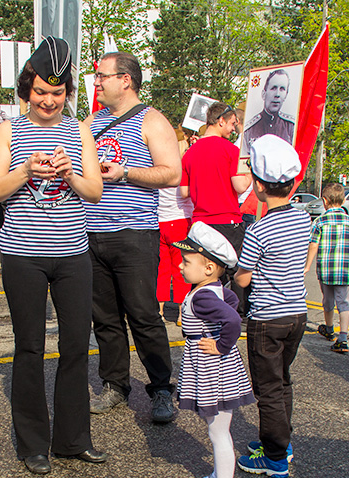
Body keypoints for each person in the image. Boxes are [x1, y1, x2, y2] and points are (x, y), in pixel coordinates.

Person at [0, 37, 106, 475]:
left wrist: (69, 173)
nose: (49, 100)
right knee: (30, 347)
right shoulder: (9, 130)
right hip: (23, 254)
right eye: (40, 91)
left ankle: (73, 439)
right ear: (27, 90)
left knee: (76, 345)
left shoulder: (79, 131)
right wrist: (25, 170)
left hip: (73, 253)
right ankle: (34, 444)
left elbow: (94, 191)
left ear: (67, 92)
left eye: (57, 93)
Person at [84, 51, 182, 423]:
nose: (97, 83)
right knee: (105, 319)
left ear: (125, 79)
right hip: (91, 234)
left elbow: (171, 173)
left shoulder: (152, 120)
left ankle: (160, 390)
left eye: (102, 76)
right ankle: (115, 385)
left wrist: (125, 173)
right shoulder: (91, 121)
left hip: (134, 233)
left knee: (143, 315)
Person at [234, 135, 309, 478]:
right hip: (297, 315)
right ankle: (283, 442)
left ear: (260, 187)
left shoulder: (259, 229)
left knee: (267, 389)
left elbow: (244, 278)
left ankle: (275, 457)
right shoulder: (302, 219)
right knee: (283, 381)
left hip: (267, 319)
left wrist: (233, 274)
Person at [173, 222, 254, 478]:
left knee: (218, 432)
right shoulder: (214, 289)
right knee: (217, 428)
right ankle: (219, 475)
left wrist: (220, 345)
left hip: (213, 369)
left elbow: (233, 321)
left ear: (208, 268)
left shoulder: (204, 295)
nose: (181, 266)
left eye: (186, 261)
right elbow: (231, 302)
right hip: (214, 368)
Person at [180, 102, 251, 314]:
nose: (233, 129)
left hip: (201, 223)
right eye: (231, 124)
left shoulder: (190, 152)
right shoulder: (231, 150)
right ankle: (234, 315)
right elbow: (239, 186)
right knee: (234, 272)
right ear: (220, 121)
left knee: (200, 273)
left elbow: (184, 192)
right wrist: (249, 172)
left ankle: (197, 314)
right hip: (227, 221)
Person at [303, 182, 349, 353]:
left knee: (327, 300)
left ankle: (329, 329)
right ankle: (343, 337)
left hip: (326, 270)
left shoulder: (320, 221)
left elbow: (313, 245)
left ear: (324, 201)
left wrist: (307, 265)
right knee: (344, 303)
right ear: (344, 200)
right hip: (345, 270)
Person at [156, 128, 194, 324]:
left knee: (161, 269)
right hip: (180, 220)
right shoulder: (184, 167)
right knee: (181, 268)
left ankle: (160, 311)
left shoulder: (160, 166)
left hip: (160, 221)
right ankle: (181, 313)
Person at [243, 70, 295, 151]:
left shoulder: (291, 127)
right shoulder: (249, 130)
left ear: (285, 95)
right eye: (273, 88)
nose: (277, 94)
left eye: (282, 89)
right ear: (264, 94)